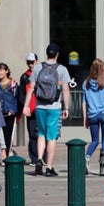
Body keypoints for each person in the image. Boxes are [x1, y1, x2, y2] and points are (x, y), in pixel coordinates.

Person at [24, 43, 71, 177]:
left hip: (39, 107)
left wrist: (26, 106)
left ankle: (39, 159)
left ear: (46, 53)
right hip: (54, 107)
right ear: (57, 54)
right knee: (52, 137)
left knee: (41, 134)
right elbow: (66, 90)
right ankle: (49, 167)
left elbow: (31, 88)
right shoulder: (61, 69)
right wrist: (66, 107)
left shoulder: (38, 68)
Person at [82, 58, 104, 175]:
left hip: (92, 115)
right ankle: (103, 168)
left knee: (95, 140)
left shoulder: (86, 84)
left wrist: (85, 118)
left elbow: (84, 102)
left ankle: (86, 157)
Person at [0, 63, 20, 159]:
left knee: (8, 136)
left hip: (10, 114)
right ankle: (4, 154)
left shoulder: (13, 84)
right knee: (0, 136)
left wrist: (13, 110)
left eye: (1, 70)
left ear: (6, 71)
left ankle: (6, 156)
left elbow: (17, 99)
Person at [18, 52, 40, 165]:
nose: (31, 65)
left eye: (32, 62)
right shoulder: (25, 77)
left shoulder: (42, 74)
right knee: (32, 134)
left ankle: (43, 157)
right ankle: (34, 158)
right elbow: (21, 93)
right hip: (30, 109)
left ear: (37, 61)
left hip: (41, 108)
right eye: (29, 62)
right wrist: (23, 106)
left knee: (42, 133)